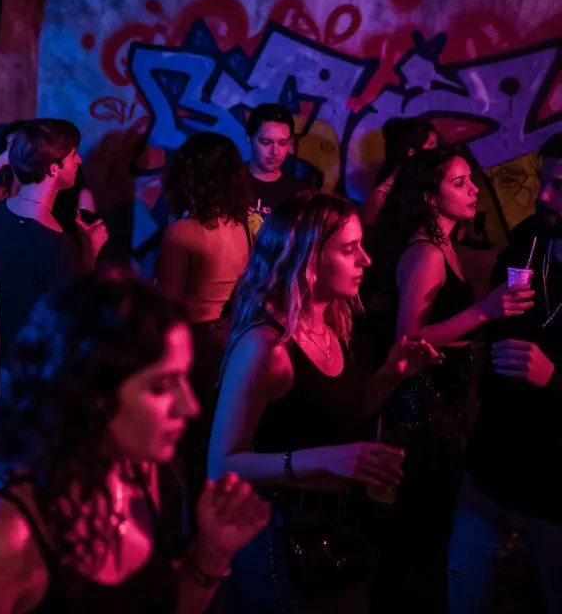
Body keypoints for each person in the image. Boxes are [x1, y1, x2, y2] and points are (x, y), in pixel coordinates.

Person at [0, 271, 270, 613]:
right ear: (90, 393)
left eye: (184, 376)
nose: (190, 406)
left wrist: (211, 554)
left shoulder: (142, 475)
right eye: (162, 386)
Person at [209, 193, 440, 611]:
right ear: (307, 259)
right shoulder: (265, 347)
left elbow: (329, 421)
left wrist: (388, 377)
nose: (366, 260)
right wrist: (321, 460)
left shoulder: (331, 320)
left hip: (334, 528)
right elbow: (221, 463)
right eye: (350, 249)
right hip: (277, 538)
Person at [367, 147, 534, 610]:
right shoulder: (426, 253)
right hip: (421, 409)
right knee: (417, 530)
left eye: (470, 180)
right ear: (428, 195)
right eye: (459, 183)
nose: (473, 189)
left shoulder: (446, 246)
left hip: (442, 405)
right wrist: (485, 310)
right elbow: (409, 339)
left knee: (428, 528)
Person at [449, 134, 562, 610]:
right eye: (543, 181)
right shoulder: (529, 237)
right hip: (490, 475)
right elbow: (493, 329)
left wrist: (554, 379)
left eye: (558, 185)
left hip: (555, 496)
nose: (543, 195)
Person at [0, 119, 107, 400]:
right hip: (26, 376)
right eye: (73, 155)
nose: (79, 160)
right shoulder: (55, 244)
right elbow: (77, 316)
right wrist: (90, 250)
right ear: (53, 168)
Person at [155, 131, 252, 495]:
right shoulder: (240, 227)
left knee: (187, 457)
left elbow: (168, 306)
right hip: (227, 342)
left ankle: (188, 540)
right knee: (215, 450)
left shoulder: (182, 232)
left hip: (192, 346)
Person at [243, 104, 311, 234]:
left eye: (282, 143)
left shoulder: (301, 195)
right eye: (266, 142)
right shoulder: (227, 183)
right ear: (249, 138)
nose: (275, 152)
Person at [361, 117, 439, 227]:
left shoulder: (428, 179)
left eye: (436, 144)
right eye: (431, 144)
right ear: (411, 152)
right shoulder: (385, 193)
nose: (437, 150)